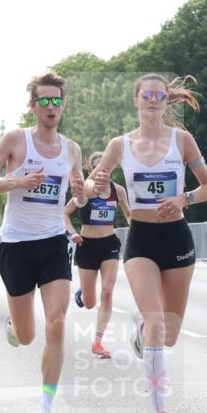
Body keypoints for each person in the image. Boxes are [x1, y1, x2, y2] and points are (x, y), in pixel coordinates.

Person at [86, 73, 207, 413]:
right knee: (159, 324)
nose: (154, 101)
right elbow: (98, 182)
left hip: (175, 238)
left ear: (165, 102)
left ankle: (142, 328)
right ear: (137, 100)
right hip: (141, 239)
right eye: (148, 95)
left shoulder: (182, 141)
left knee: (168, 334)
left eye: (160, 96)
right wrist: (92, 185)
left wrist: (184, 200)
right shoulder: (119, 145)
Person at [0, 71, 86, 413]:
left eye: (57, 101)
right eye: (45, 101)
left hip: (53, 242)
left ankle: (45, 410)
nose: (51, 107)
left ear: (63, 105)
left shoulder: (72, 149)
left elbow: (80, 196)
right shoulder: (15, 141)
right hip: (17, 246)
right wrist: (18, 182)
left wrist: (83, 191)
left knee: (56, 322)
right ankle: (14, 323)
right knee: (26, 335)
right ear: (33, 105)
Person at [64, 151, 132, 359]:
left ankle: (98, 341)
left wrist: (139, 233)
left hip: (109, 244)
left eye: (106, 166)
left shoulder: (118, 190)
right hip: (87, 245)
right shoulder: (84, 191)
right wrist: (73, 234)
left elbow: (129, 214)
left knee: (108, 293)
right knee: (90, 301)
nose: (102, 170)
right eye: (97, 166)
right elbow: (65, 214)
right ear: (90, 170)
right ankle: (82, 294)